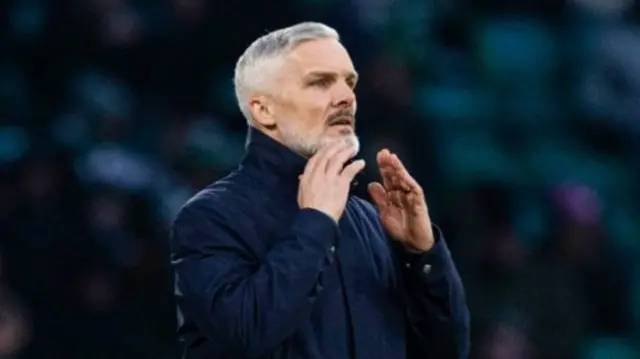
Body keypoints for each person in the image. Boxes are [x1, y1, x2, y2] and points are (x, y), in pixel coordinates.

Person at [170, 21, 470, 359]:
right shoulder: (209, 217)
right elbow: (246, 336)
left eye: (349, 82)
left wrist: (423, 257)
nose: (346, 97)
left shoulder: (372, 221)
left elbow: (448, 351)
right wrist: (315, 223)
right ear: (264, 110)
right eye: (320, 82)